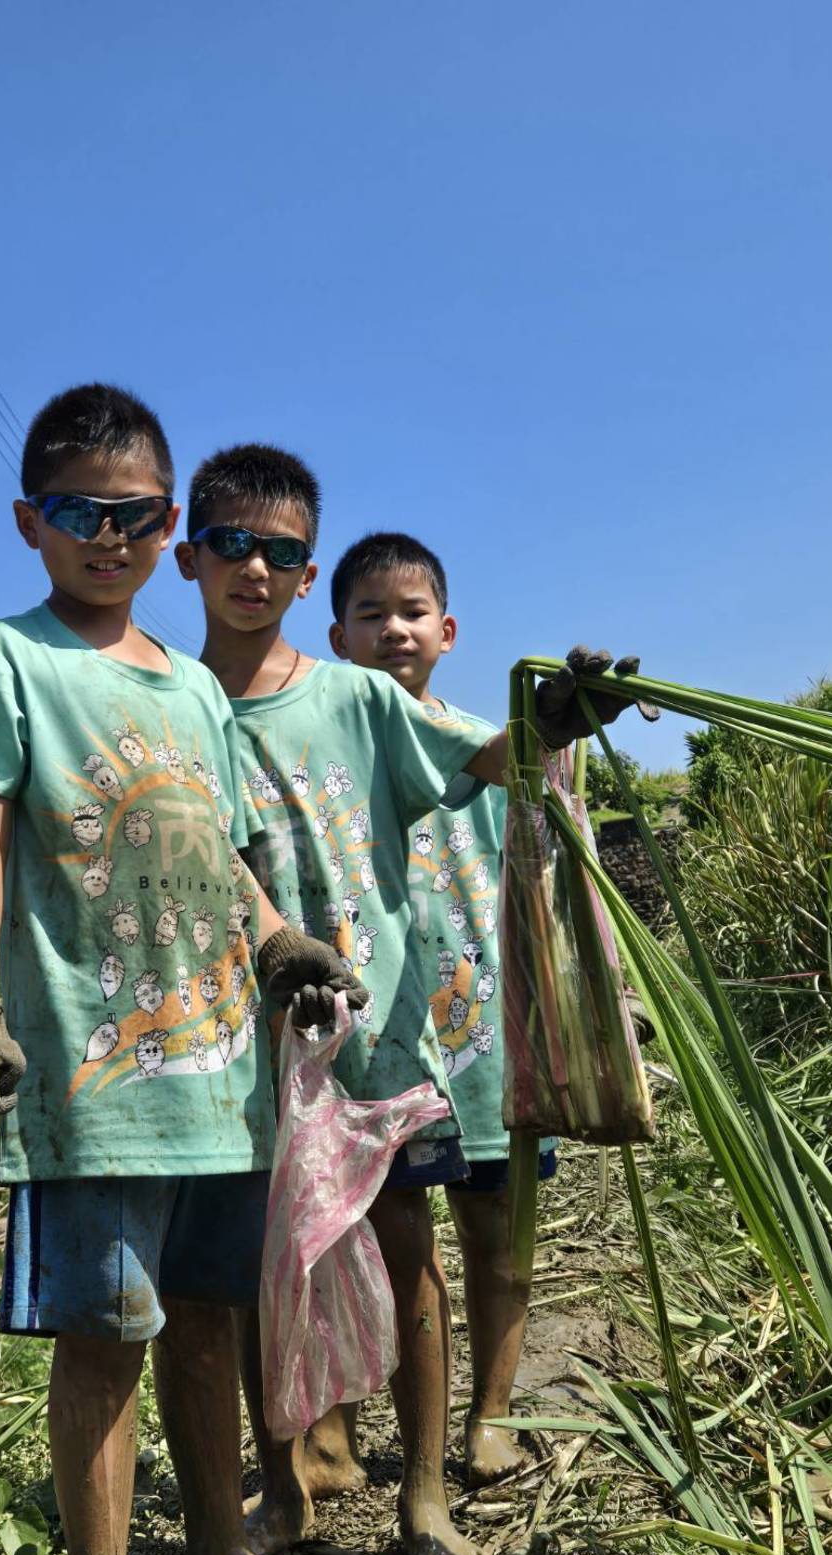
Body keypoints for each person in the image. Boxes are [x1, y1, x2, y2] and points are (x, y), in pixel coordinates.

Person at [175, 444, 645, 1555]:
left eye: (282, 549)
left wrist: (557, 719)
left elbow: (486, 754)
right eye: (233, 542)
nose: (256, 566)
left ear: (305, 571)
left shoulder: (358, 696)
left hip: (379, 1034)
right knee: (257, 1273)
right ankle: (288, 1490)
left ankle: (425, 1495)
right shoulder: (176, 707)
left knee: (409, 1252)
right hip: (242, 1048)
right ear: (188, 556)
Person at [0, 383, 362, 1555]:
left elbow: (223, 851)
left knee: (211, 1318)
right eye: (79, 511)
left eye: (132, 516)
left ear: (168, 525)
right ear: (30, 521)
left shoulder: (192, 689)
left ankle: (223, 1554)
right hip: (94, 1068)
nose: (107, 538)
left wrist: (281, 943)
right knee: (106, 1337)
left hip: (219, 1076)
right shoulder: (7, 657)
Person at [327, 530, 559, 1488]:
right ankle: (338, 1427)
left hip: (488, 1037)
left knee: (498, 1237)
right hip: (382, 1043)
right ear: (334, 638)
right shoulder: (333, 759)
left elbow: (554, 888)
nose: (392, 630)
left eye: (411, 612)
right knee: (369, 1245)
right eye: (369, 615)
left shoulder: (498, 755)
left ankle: (491, 1417)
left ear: (448, 630)